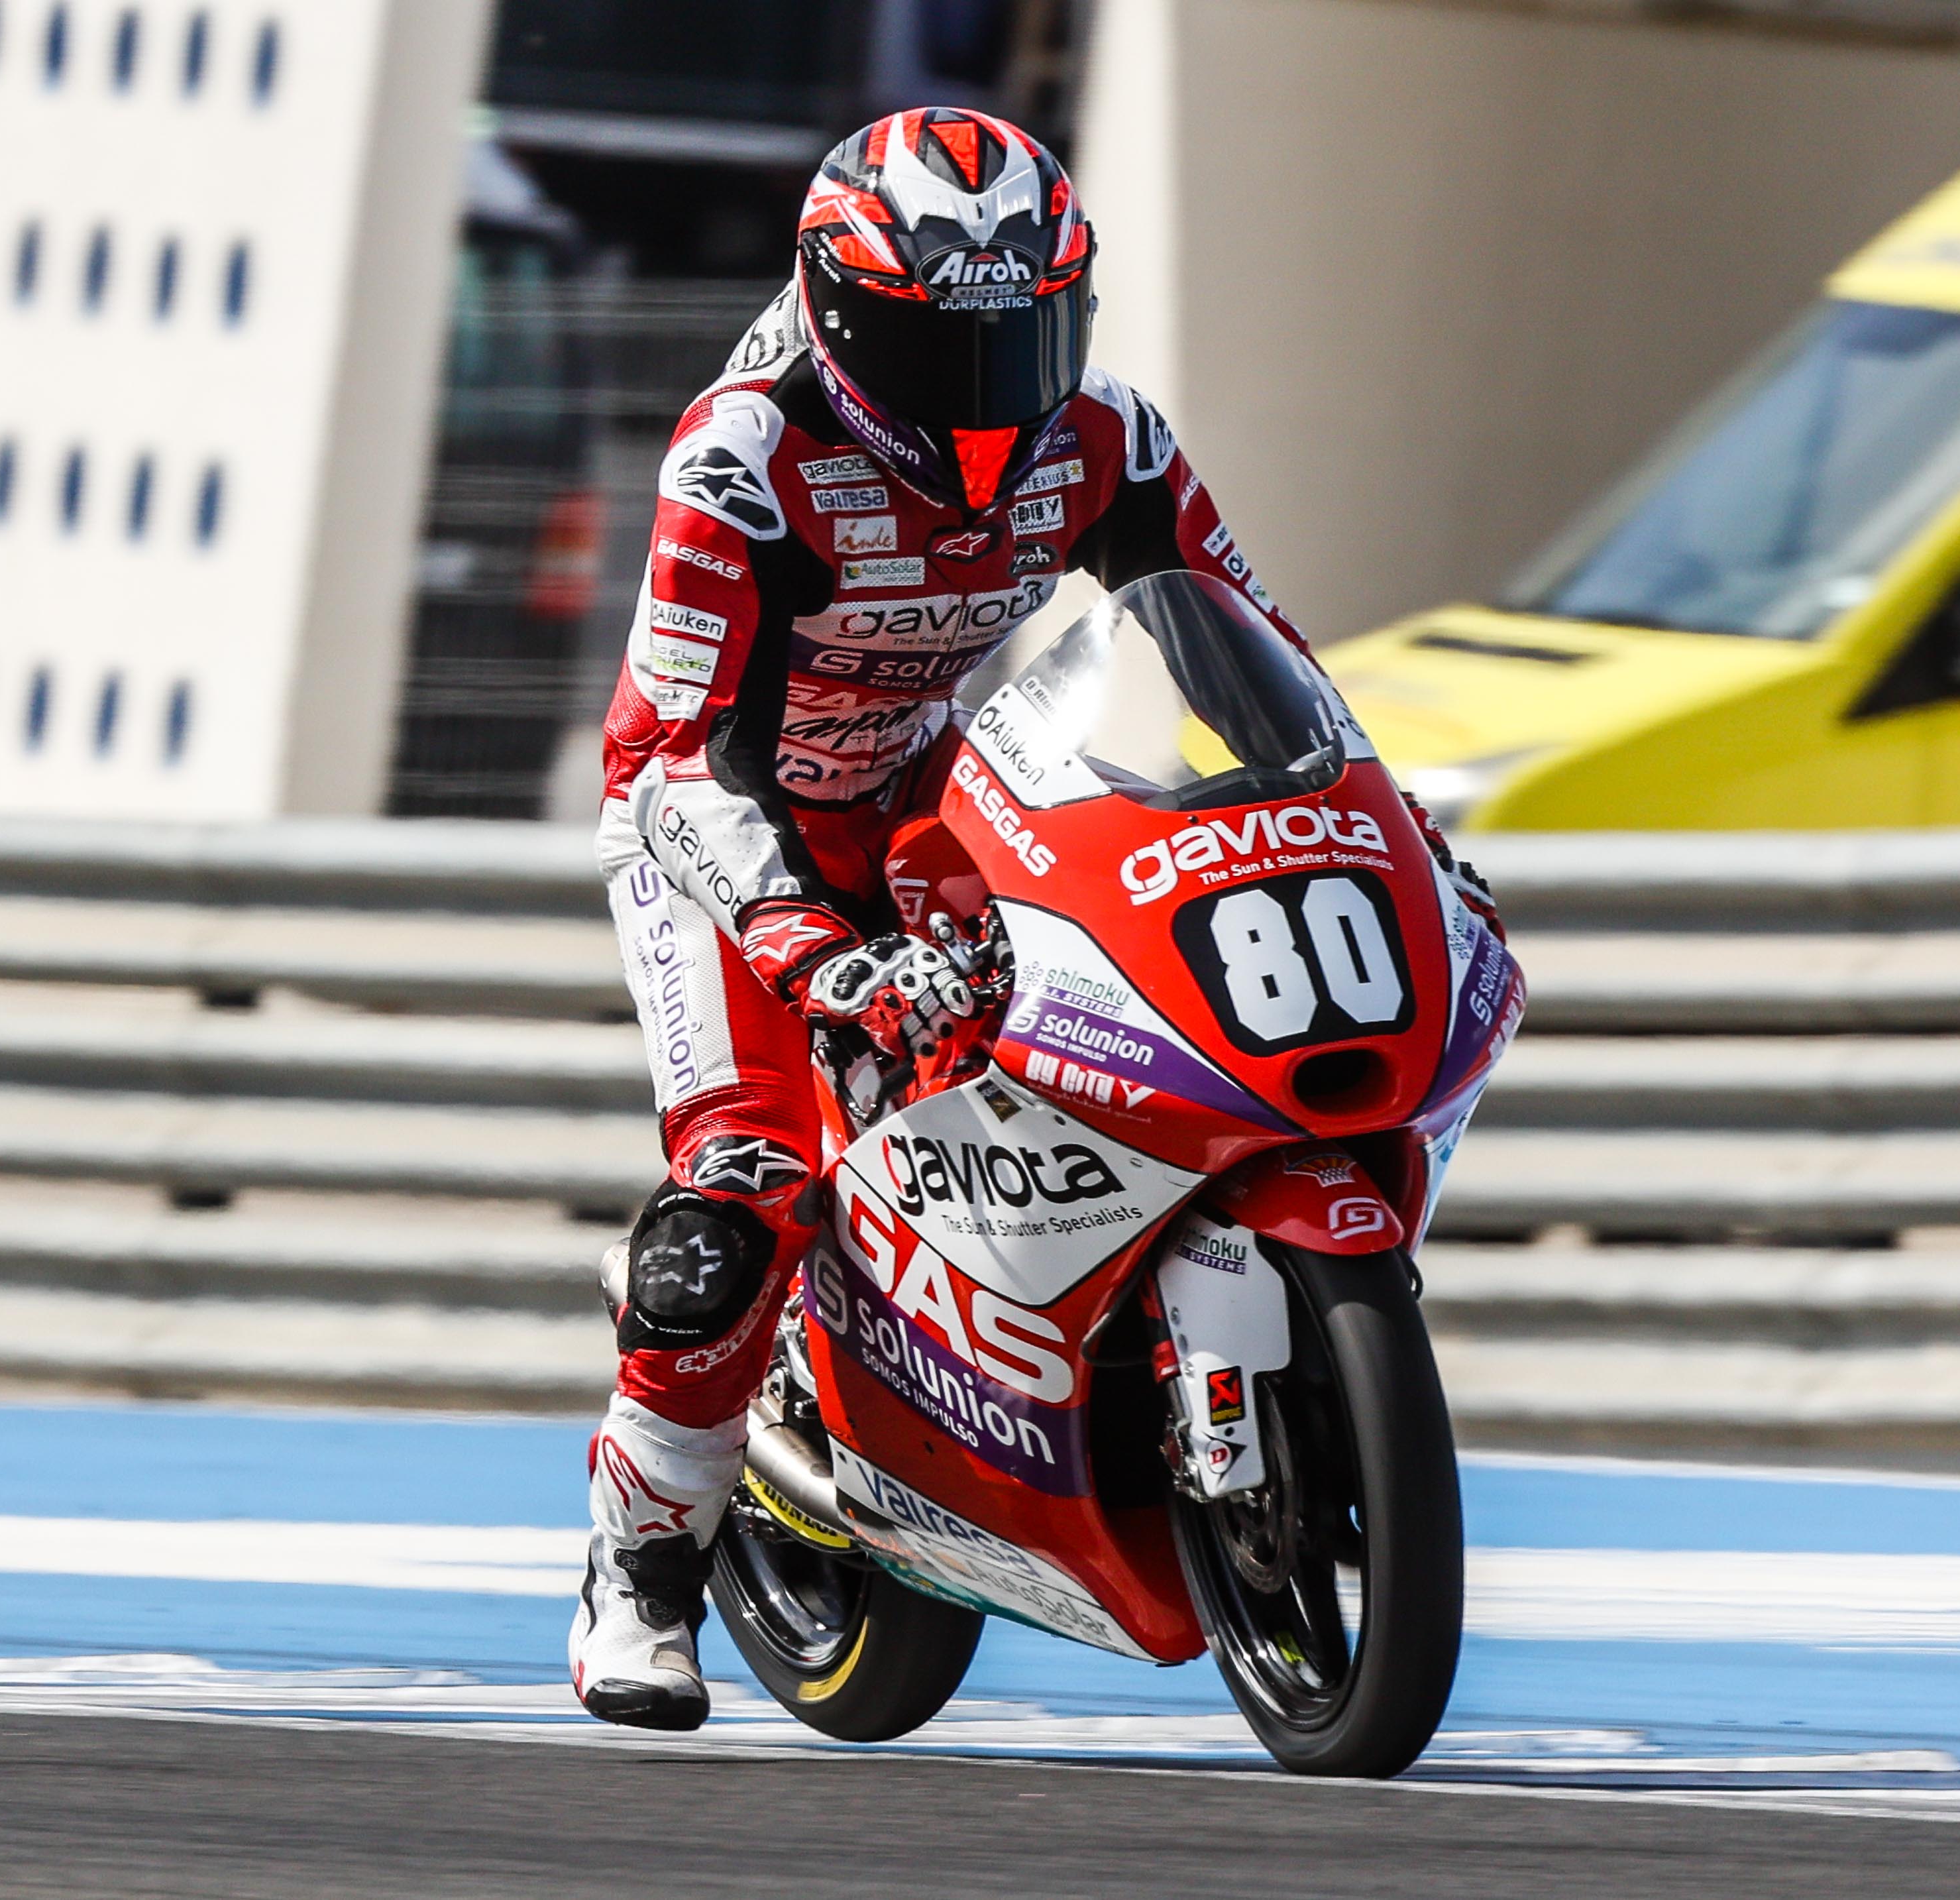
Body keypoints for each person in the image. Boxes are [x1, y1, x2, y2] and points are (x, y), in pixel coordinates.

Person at [572, 107, 1494, 1728]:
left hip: (923, 785)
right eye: (950, 353)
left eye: (1026, 340)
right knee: (743, 1189)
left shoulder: (1106, 439)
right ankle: (640, 1570)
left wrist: (1387, 831)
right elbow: (669, 757)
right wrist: (806, 943)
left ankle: (1032, 1360)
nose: (996, 396)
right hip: (721, 828)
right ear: (849, 322)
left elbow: (1240, 652)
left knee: (1081, 1020)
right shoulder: (743, 462)